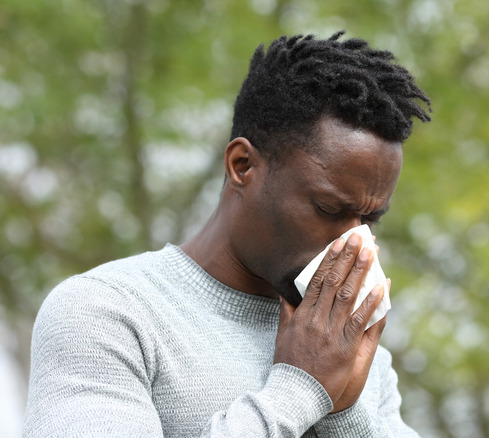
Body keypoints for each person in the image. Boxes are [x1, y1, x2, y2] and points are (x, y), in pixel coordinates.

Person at [23, 32, 431, 437]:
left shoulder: (353, 352)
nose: (353, 245)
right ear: (242, 165)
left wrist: (344, 413)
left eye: (370, 220)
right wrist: (300, 391)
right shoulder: (107, 313)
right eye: (328, 209)